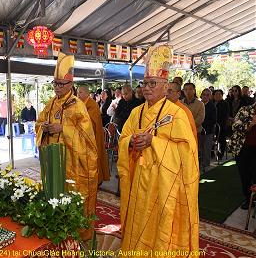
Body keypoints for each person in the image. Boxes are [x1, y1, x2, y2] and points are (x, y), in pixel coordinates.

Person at [117, 45, 199, 254]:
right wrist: (131, 142)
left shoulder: (177, 113)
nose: (147, 88)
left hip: (164, 183)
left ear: (165, 86)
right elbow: (123, 138)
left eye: (153, 83)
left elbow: (187, 152)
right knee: (138, 219)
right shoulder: (136, 112)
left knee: (160, 224)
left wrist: (154, 141)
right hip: (139, 179)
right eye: (144, 83)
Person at [35, 52, 98, 241]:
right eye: (55, 84)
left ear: (70, 84)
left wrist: (63, 128)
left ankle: (76, 235)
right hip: (53, 160)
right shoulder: (51, 103)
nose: (57, 88)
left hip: (72, 162)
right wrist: (43, 128)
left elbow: (87, 138)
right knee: (54, 193)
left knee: (72, 196)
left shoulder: (78, 105)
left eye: (61, 84)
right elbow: (38, 123)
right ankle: (55, 230)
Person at [77, 85, 110, 184]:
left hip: (93, 136)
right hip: (81, 136)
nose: (78, 95)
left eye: (81, 92)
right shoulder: (80, 104)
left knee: (93, 159)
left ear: (87, 93)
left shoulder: (92, 104)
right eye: (78, 92)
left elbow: (90, 121)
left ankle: (96, 179)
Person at [228, 102, 256, 210]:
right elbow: (235, 126)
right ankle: (248, 199)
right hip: (243, 148)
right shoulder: (245, 110)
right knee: (245, 175)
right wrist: (251, 124)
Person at [199, 88, 217, 171]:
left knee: (206, 149)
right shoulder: (199, 104)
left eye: (207, 95)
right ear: (201, 95)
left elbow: (213, 120)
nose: (205, 96)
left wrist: (203, 123)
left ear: (210, 96)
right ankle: (198, 164)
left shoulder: (212, 106)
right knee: (198, 148)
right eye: (204, 94)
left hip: (208, 130)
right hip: (198, 129)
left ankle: (206, 165)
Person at [213, 89, 229, 159]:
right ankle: (212, 153)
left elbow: (225, 115)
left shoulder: (225, 103)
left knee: (221, 140)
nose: (217, 96)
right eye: (216, 94)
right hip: (212, 124)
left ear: (222, 95)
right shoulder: (212, 103)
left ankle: (220, 154)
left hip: (221, 124)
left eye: (219, 94)